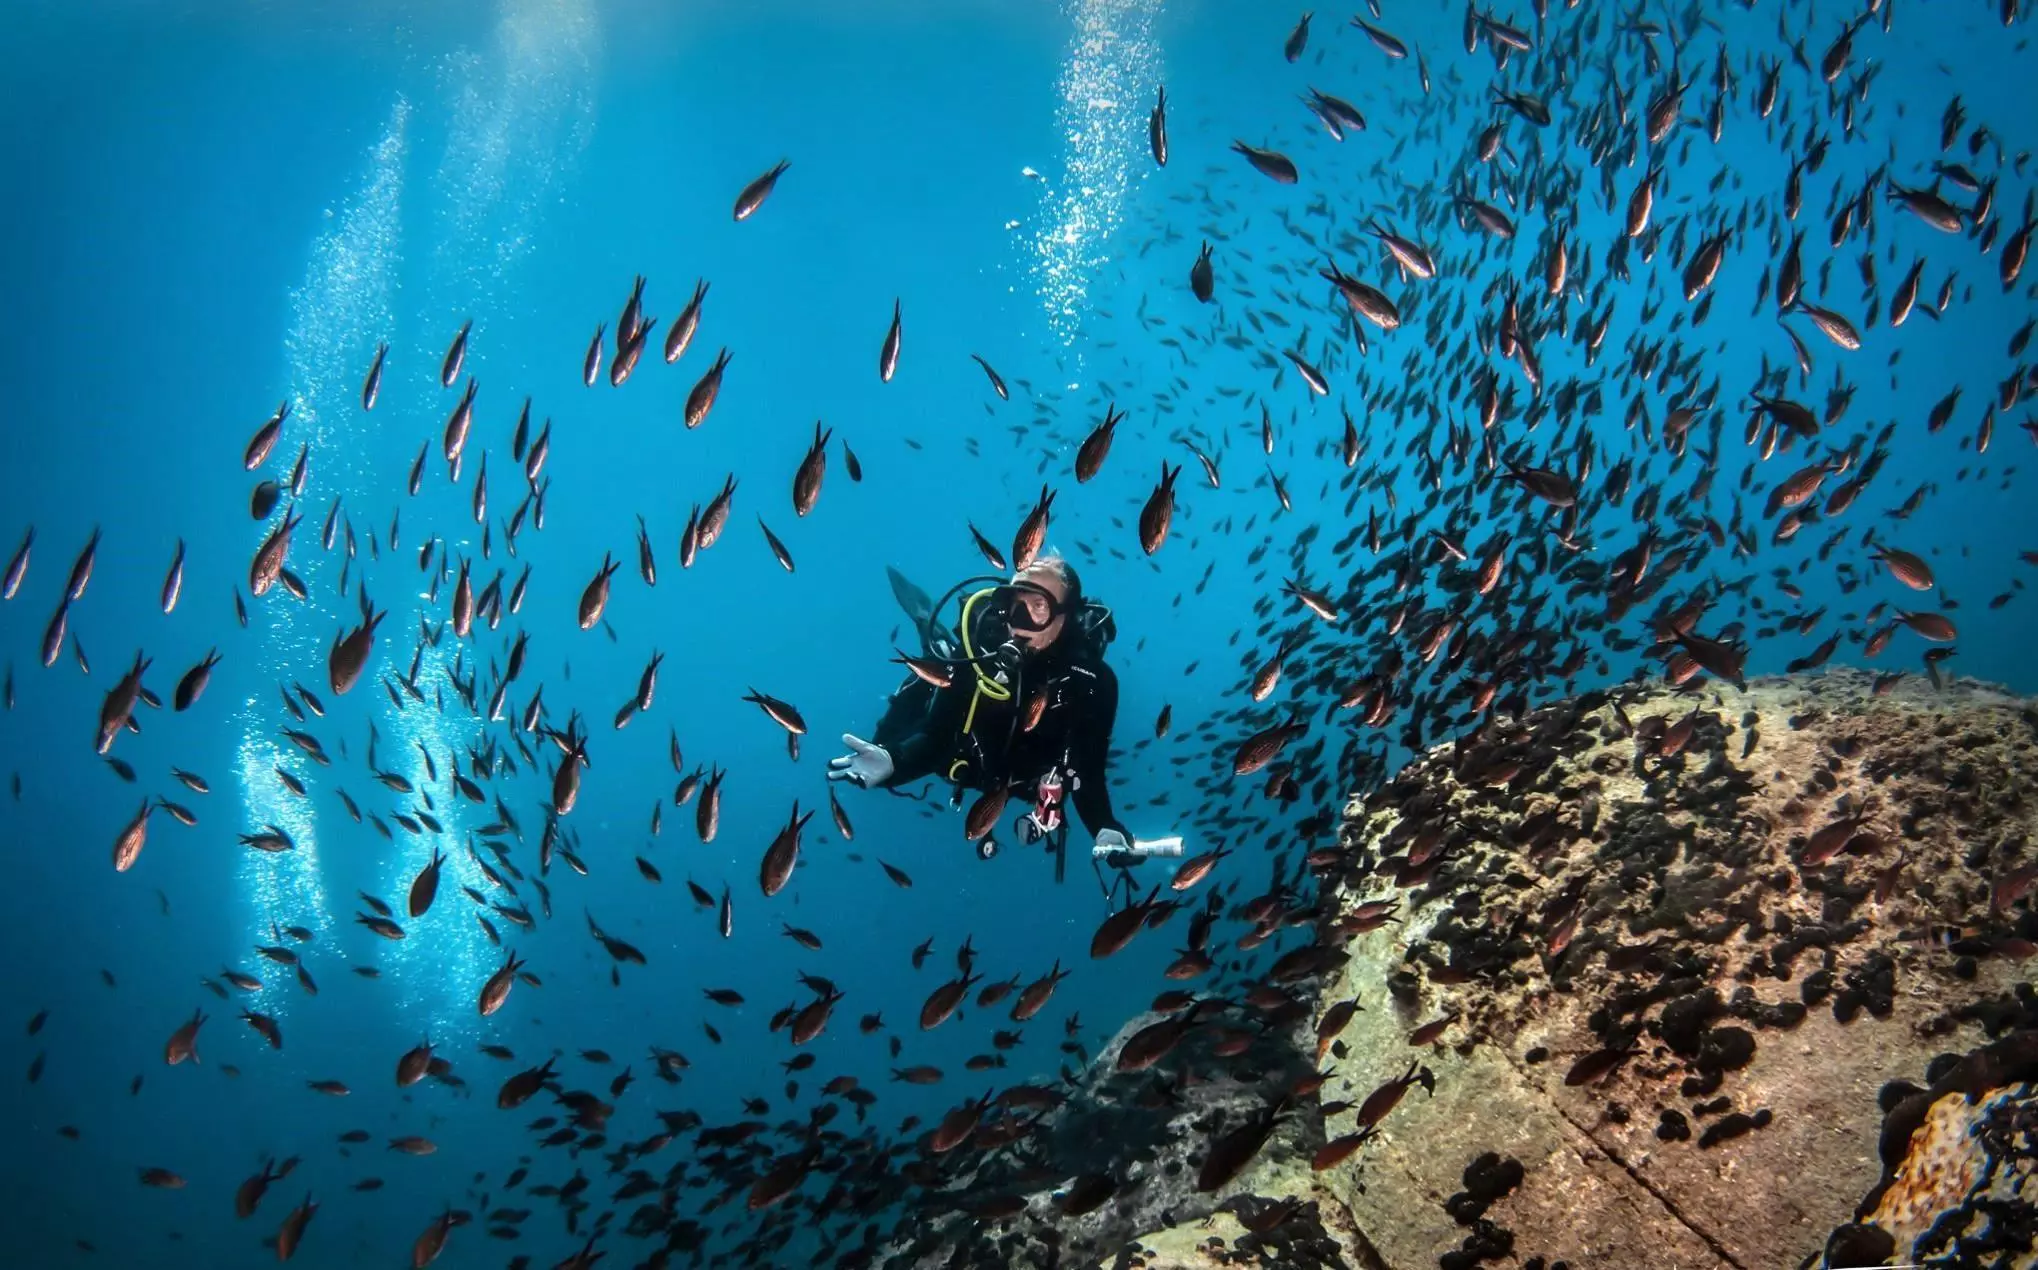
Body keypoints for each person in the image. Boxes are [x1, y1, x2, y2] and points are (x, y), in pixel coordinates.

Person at [828, 554, 1143, 877]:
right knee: (936, 670)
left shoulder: (1092, 682)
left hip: (1022, 780)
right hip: (966, 757)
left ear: (1067, 617)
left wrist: (1104, 827)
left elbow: (1087, 772)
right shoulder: (981, 649)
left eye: (1038, 607)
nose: (1019, 621)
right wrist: (895, 763)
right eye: (1014, 603)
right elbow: (938, 736)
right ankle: (930, 630)